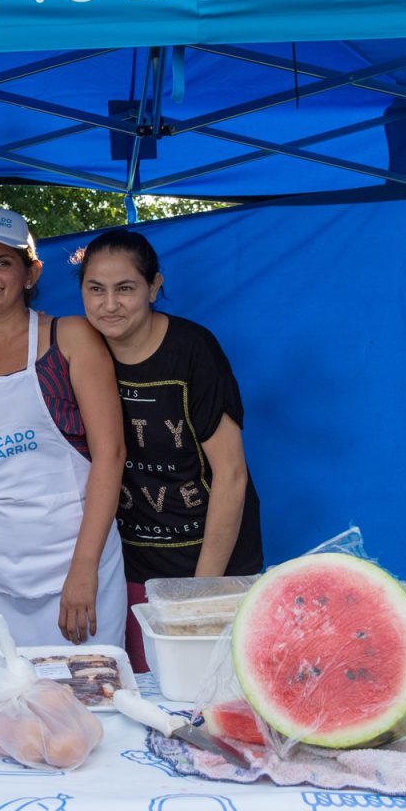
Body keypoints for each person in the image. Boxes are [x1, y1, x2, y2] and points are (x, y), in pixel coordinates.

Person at [78, 229, 262, 671]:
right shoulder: (83, 348)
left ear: (154, 286)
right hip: (133, 566)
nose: (109, 304)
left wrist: (201, 594)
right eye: (95, 289)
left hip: (213, 562)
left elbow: (231, 475)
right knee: (145, 694)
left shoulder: (193, 350)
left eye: (126, 289)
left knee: (208, 697)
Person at [0, 206, 126, 650]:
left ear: (31, 273)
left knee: (87, 705)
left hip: (71, 568)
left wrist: (83, 569)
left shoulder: (69, 338)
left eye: (3, 262)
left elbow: (111, 454)